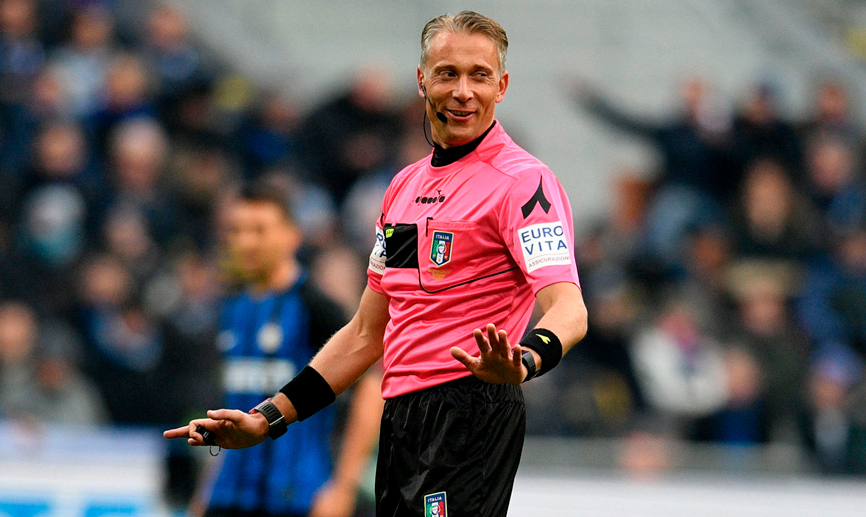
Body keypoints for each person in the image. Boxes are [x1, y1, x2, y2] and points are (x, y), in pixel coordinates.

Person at [166, 11, 588, 517]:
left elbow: (569, 309)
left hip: (471, 408)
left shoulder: (523, 182)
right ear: (422, 80)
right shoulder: (404, 189)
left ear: (502, 86)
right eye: (448, 73)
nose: (463, 91)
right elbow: (366, 333)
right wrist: (267, 418)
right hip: (402, 415)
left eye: (479, 75)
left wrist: (525, 360)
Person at [188, 183, 384, 517]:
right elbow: (231, 406)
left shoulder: (315, 307)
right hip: (229, 496)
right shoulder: (232, 309)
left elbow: (371, 388)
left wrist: (343, 486)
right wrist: (206, 489)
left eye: (259, 230)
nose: (246, 241)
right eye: (237, 231)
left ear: (292, 236)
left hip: (297, 496)